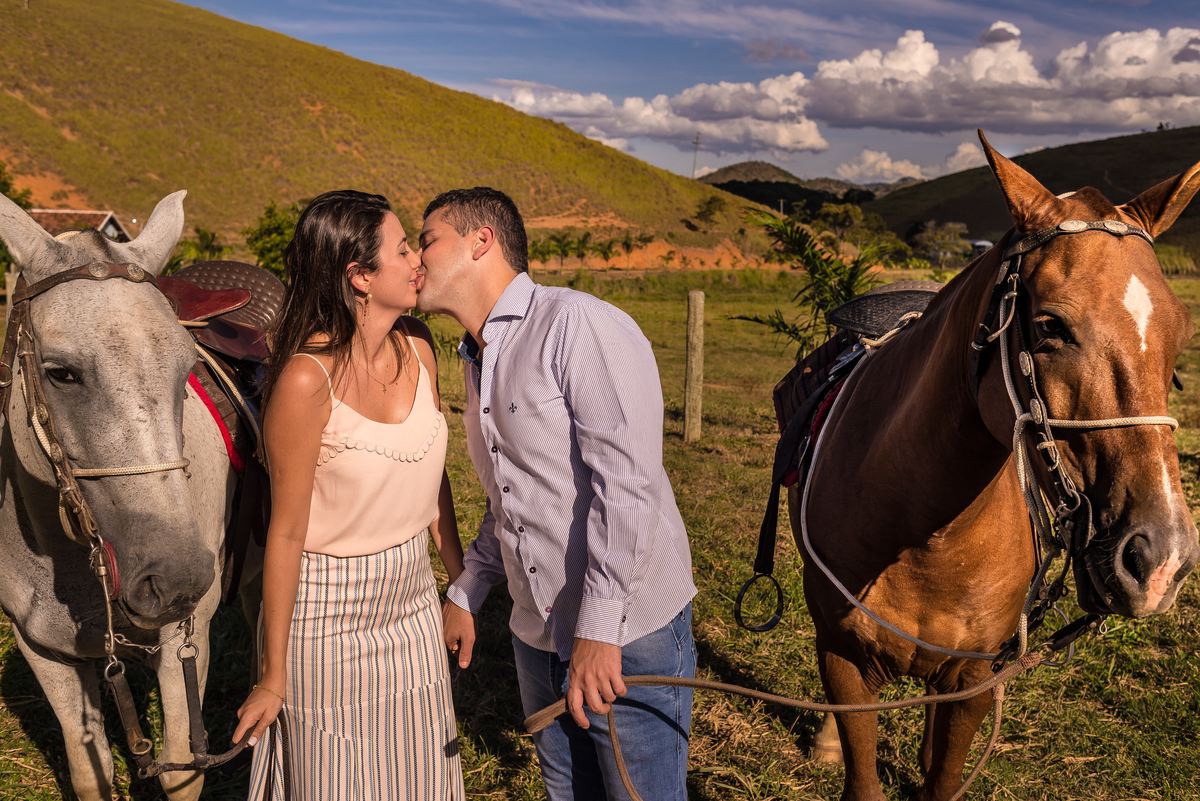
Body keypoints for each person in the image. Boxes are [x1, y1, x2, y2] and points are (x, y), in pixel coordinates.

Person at [417, 187, 697, 801]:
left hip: (628, 633)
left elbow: (626, 484)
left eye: (427, 240)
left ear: (481, 241)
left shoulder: (575, 323)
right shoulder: (477, 357)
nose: (416, 259)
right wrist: (469, 589)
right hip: (536, 634)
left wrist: (599, 629)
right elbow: (510, 497)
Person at [233, 190, 466, 800]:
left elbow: (432, 476)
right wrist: (273, 675)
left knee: (419, 773)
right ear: (360, 276)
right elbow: (286, 531)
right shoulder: (305, 379)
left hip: (414, 603)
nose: (417, 260)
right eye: (402, 249)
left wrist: (460, 582)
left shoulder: (419, 345)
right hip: (327, 616)